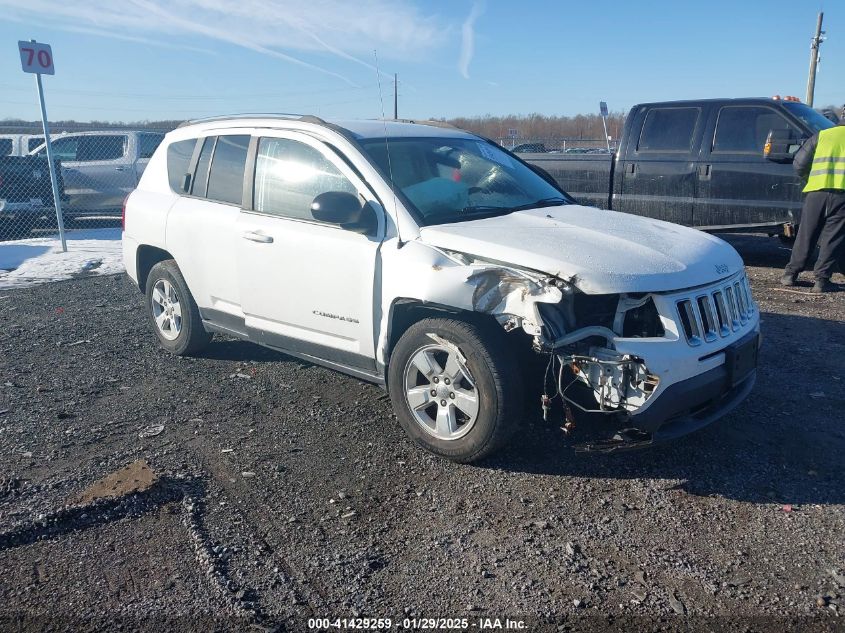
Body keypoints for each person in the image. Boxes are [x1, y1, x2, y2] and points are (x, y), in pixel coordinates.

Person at [781, 104, 845, 293]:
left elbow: (799, 163)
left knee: (806, 234)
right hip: (842, 196)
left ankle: (790, 275)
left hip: (816, 192)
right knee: (833, 238)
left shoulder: (823, 135)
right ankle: (821, 281)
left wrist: (812, 179)